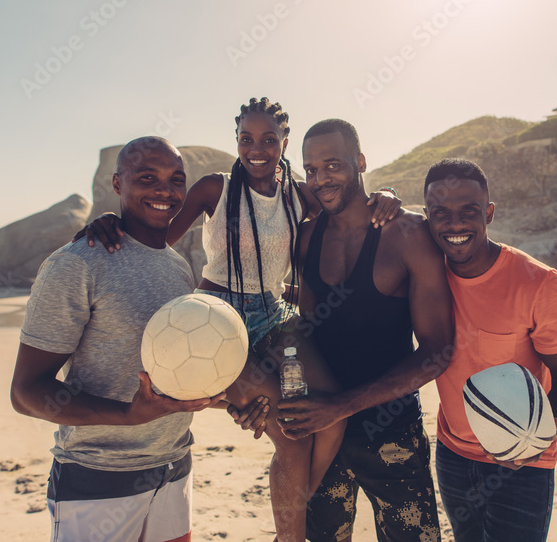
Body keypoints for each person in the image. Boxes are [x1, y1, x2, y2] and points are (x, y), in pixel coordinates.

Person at [78, 98, 403, 541]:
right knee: (290, 433)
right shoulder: (217, 188)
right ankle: (291, 535)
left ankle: (291, 517)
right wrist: (110, 222)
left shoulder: (300, 195)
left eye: (269, 139)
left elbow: (347, 205)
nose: (257, 149)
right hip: (217, 320)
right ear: (236, 140)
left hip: (274, 318)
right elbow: (156, 235)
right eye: (246, 139)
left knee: (330, 414)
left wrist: (384, 198)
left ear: (284, 142)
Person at [9, 137, 224, 542]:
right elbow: (24, 394)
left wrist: (224, 399)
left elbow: (172, 371)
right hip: (98, 478)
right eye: (147, 178)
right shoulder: (77, 264)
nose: (165, 191)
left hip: (174, 466)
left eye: (176, 180)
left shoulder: (178, 269)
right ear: (117, 184)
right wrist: (127, 415)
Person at [275, 118, 454, 542]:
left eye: (333, 165)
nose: (321, 179)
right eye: (312, 169)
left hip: (393, 434)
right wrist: (265, 395)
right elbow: (307, 331)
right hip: (322, 435)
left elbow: (438, 348)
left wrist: (343, 406)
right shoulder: (304, 239)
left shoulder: (408, 234)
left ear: (360, 162)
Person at [422, 158, 557, 542]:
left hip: (523, 466)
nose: (456, 224)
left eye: (469, 211)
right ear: (426, 218)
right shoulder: (424, 274)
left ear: (489, 213)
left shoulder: (540, 284)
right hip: (452, 455)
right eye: (441, 214)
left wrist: (539, 436)